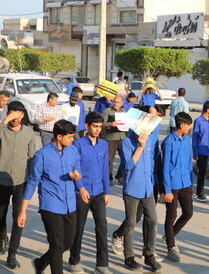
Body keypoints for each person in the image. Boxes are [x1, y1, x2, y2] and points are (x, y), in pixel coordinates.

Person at [18, 120, 82, 274]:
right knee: (57, 244)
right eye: (70, 137)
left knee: (67, 242)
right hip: (50, 205)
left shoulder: (72, 150)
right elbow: (32, 182)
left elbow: (77, 167)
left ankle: (41, 263)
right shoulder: (42, 155)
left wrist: (77, 175)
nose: (72, 140)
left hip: (70, 204)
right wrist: (23, 211)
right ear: (59, 137)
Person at [68, 112, 111, 274]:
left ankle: (102, 264)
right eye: (95, 126)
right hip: (82, 192)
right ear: (87, 126)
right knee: (79, 228)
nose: (98, 130)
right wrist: (80, 187)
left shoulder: (104, 145)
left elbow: (105, 169)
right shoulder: (78, 145)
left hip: (99, 192)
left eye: (100, 127)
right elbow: (74, 167)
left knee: (102, 227)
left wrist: (107, 192)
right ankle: (74, 261)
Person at [0, 101, 35, 269]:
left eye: (19, 113)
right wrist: (5, 121)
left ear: (23, 115)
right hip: (2, 180)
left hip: (21, 181)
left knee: (18, 218)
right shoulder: (2, 130)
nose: (16, 116)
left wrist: (33, 180)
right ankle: (2, 236)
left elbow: (31, 157)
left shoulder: (28, 132)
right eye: (12, 112)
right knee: (1, 215)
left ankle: (12, 253)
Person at [120, 127, 161, 271]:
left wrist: (153, 181)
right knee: (131, 222)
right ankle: (129, 257)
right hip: (132, 188)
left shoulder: (150, 139)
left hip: (147, 187)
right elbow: (128, 166)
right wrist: (140, 147)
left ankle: (149, 254)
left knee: (153, 220)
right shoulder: (126, 142)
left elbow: (151, 164)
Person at [162, 112, 194, 263]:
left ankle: (170, 234)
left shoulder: (187, 140)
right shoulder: (168, 142)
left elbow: (189, 163)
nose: (190, 128)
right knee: (171, 215)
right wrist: (167, 190)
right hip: (173, 184)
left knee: (188, 213)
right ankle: (171, 247)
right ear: (182, 125)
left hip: (186, 182)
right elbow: (165, 167)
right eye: (188, 125)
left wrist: (191, 183)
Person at [192, 102, 209, 202]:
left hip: (208, 150)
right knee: (201, 172)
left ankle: (200, 190)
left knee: (204, 171)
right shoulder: (198, 121)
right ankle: (199, 192)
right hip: (200, 150)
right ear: (208, 110)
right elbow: (195, 138)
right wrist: (195, 153)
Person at [102, 96, 127, 185]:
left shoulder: (124, 112)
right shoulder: (107, 111)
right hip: (111, 138)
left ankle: (120, 176)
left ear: (121, 103)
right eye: (114, 102)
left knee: (125, 158)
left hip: (122, 137)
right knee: (109, 160)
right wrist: (110, 124)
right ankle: (109, 178)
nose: (115, 104)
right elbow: (101, 123)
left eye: (117, 102)